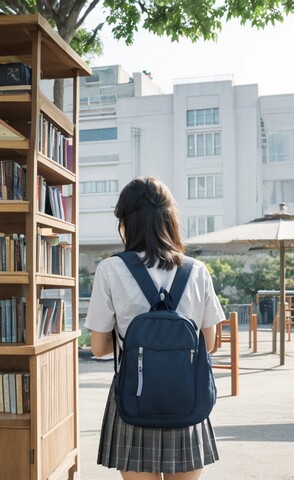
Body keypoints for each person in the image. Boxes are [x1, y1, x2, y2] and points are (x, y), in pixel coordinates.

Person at [85, 176, 225, 480]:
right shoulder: (196, 270)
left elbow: (98, 348)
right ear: (170, 218)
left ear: (126, 221)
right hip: (186, 397)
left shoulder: (110, 269)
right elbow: (210, 342)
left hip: (134, 397)